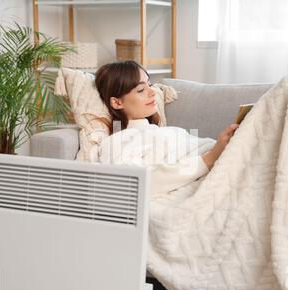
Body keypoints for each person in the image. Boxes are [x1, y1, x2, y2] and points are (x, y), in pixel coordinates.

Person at [95, 60, 239, 195]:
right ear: (117, 102)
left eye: (149, 84)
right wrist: (212, 157)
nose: (152, 92)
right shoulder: (117, 141)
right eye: (140, 90)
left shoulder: (161, 131)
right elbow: (135, 181)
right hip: (215, 168)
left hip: (225, 156)